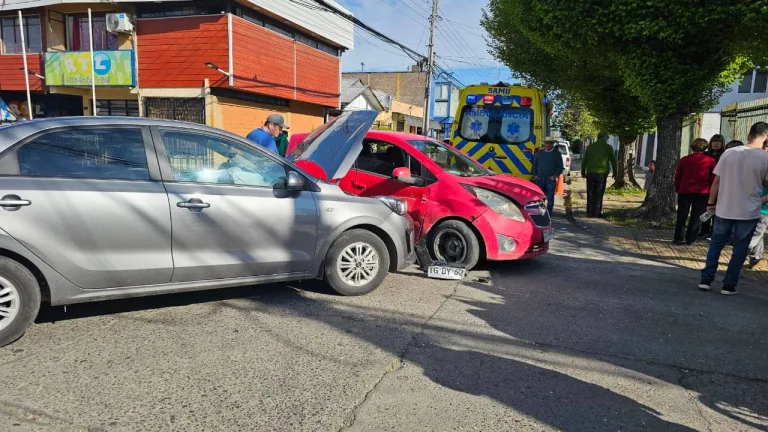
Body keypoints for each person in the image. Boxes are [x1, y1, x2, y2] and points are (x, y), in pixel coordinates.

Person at [700, 122, 768, 296]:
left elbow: (716, 182)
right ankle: (729, 285)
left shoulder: (729, 153)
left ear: (748, 135)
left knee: (716, 245)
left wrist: (710, 203)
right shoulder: (765, 158)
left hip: (724, 207)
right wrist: (761, 200)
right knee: (740, 249)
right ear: (766, 137)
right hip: (749, 211)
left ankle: (706, 280)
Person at [673, 138, 716, 245]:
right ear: (705, 148)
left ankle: (678, 237)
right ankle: (690, 238)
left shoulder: (684, 160)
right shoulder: (710, 161)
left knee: (682, 215)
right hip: (702, 192)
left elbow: (678, 176)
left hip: (685, 190)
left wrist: (678, 188)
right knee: (696, 217)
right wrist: (711, 190)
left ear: (692, 147)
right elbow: (713, 177)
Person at [581, 131, 618, 218]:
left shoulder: (590, 147)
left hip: (590, 173)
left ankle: (589, 213)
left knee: (590, 193)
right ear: (604, 137)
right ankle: (597, 213)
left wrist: (583, 172)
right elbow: (614, 161)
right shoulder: (608, 148)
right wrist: (615, 173)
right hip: (602, 174)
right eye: (607, 138)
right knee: (599, 193)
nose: (607, 140)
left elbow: (584, 161)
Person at [699, 135, 727, 239]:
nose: (716, 143)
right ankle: (704, 230)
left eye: (718, 142)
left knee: (717, 210)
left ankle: (714, 231)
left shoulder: (724, 155)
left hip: (720, 186)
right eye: (714, 141)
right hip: (706, 186)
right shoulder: (706, 155)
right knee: (706, 209)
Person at [747, 140, 768, 269]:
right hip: (750, 205)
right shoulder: (757, 162)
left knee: (755, 235)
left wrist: (763, 200)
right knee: (758, 233)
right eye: (765, 146)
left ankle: (739, 255)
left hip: (763, 208)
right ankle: (756, 257)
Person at [532, 136, 564, 215]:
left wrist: (554, 176)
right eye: (547, 143)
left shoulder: (557, 154)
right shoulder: (540, 153)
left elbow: (560, 167)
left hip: (550, 180)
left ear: (553, 144)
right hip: (540, 179)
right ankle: (541, 213)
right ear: (544, 143)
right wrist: (535, 175)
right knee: (540, 198)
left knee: (550, 198)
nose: (548, 144)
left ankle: (549, 213)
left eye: (550, 143)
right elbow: (534, 165)